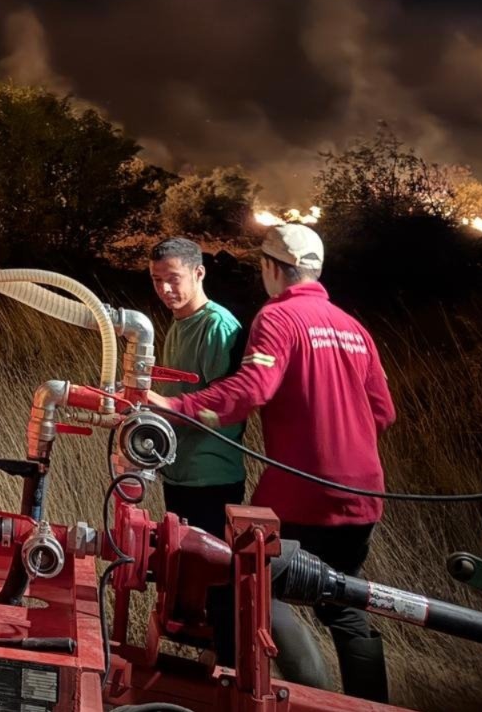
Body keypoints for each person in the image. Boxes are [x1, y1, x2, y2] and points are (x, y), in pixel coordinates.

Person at [148, 223, 396, 701]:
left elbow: (251, 391)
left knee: (247, 587)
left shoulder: (277, 319)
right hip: (365, 494)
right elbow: (383, 412)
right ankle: (371, 705)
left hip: (303, 491)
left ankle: (305, 696)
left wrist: (174, 407)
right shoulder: (353, 327)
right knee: (345, 605)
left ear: (269, 268)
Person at [147, 236, 246, 667]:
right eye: (156, 281)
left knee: (219, 587)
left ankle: (228, 671)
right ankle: (198, 676)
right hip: (180, 474)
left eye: (173, 279)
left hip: (212, 477)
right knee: (185, 589)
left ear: (199, 272)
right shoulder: (178, 324)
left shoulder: (217, 325)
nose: (165, 289)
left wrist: (159, 411)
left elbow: (225, 404)